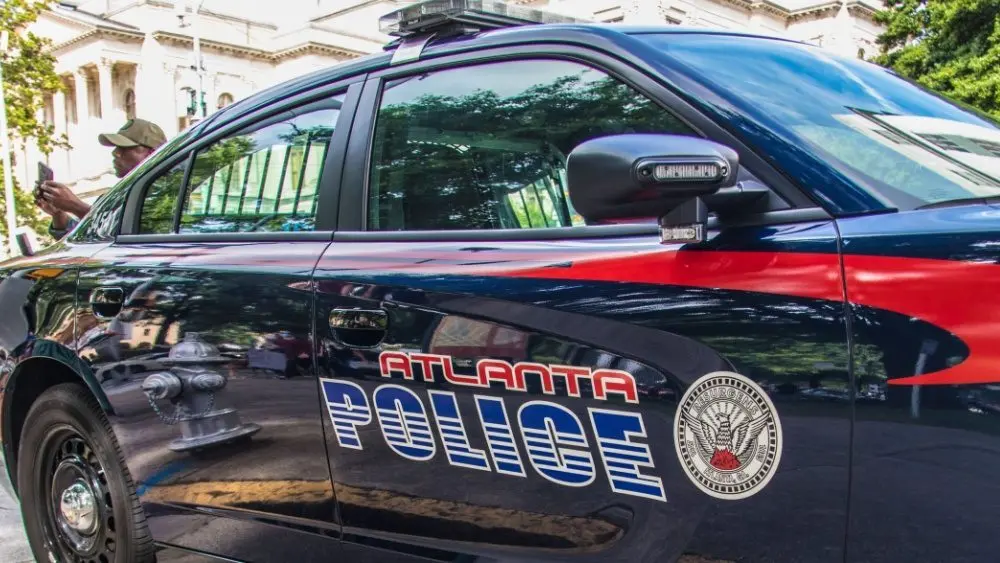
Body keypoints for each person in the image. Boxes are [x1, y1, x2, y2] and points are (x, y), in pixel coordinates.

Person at [37, 118, 167, 240]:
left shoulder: (166, 194)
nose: (115, 153)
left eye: (125, 148)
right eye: (116, 147)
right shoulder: (117, 196)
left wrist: (76, 206)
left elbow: (124, 236)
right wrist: (58, 213)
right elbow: (84, 241)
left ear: (152, 153)